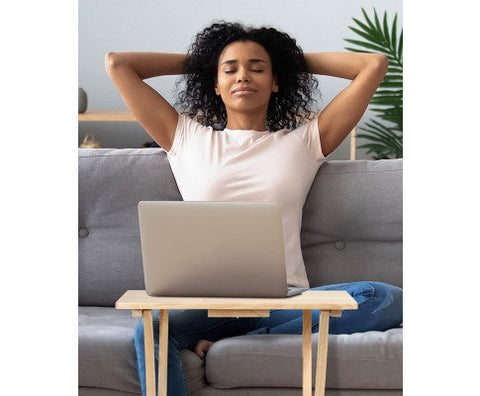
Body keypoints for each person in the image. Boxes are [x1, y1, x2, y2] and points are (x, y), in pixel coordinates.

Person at [105, 21, 403, 396]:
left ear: (276, 81)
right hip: (204, 303)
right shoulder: (184, 137)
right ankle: (243, 340)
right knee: (151, 329)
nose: (243, 76)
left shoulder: (306, 141)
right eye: (230, 70)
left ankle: (248, 340)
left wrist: (284, 60)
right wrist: (210, 61)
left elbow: (373, 65)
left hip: (286, 299)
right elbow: (118, 64)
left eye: (258, 69)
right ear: (215, 83)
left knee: (386, 298)